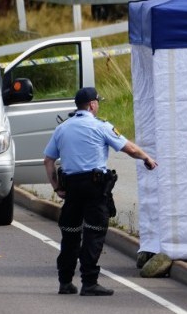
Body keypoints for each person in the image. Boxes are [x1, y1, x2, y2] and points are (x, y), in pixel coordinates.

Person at [43, 86, 157, 296]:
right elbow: (129, 148)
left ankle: (65, 282)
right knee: (94, 233)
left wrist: (57, 187)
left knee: (70, 234)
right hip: (95, 187)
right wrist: (146, 158)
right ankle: (89, 282)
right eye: (98, 102)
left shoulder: (62, 128)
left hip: (72, 188)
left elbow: (48, 160)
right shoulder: (101, 127)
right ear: (92, 105)